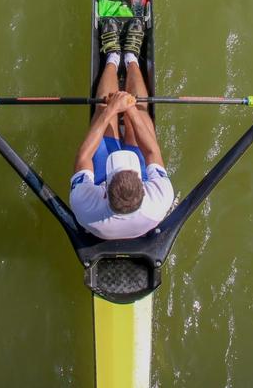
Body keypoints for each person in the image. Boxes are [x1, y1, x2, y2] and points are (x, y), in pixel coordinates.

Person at [69, 17, 174, 240]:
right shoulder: (160, 198)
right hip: (139, 213)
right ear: (143, 187)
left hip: (101, 213)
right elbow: (152, 152)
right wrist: (131, 108)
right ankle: (130, 58)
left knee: (102, 113)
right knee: (143, 114)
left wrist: (111, 109)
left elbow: (83, 155)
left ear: (104, 192)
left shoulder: (85, 203)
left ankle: (112, 57)